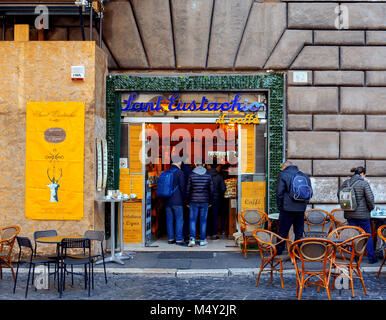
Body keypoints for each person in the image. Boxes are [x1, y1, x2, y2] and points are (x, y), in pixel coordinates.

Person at [338, 166, 377, 264]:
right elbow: (370, 199)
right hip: (363, 215)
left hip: (349, 214)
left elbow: (339, 195)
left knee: (353, 235)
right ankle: (371, 257)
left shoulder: (346, 182)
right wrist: (371, 208)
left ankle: (352, 257)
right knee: (367, 235)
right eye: (365, 174)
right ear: (362, 174)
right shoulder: (364, 183)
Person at [275, 161, 312, 254]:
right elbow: (309, 193)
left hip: (287, 209)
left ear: (284, 167)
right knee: (299, 233)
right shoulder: (304, 175)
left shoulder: (283, 174)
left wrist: (281, 207)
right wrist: (303, 205)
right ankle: (297, 253)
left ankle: (278, 253)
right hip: (300, 209)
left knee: (282, 232)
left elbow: (279, 193)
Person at [185, 159, 214, 247]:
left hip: (193, 201)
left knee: (193, 220)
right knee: (203, 221)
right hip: (205, 201)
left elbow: (188, 190)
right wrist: (211, 201)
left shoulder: (191, 175)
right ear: (204, 164)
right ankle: (202, 240)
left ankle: (192, 240)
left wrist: (187, 201)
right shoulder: (208, 176)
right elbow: (211, 190)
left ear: (195, 164)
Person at [164, 160, 186, 245]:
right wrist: (185, 199)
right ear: (179, 162)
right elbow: (182, 187)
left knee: (169, 220)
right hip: (177, 200)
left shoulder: (167, 171)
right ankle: (179, 239)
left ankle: (170, 238)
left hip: (167, 199)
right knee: (179, 220)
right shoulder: (180, 172)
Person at [207, 160, 226, 240]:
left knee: (207, 216)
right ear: (217, 166)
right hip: (216, 198)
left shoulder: (205, 175)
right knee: (215, 216)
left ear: (209, 166)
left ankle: (207, 234)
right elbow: (223, 188)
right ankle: (214, 234)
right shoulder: (219, 176)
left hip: (206, 199)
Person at [181, 153, 193, 242]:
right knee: (187, 217)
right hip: (187, 196)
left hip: (178, 197)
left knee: (179, 217)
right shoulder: (189, 170)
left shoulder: (178, 170)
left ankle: (178, 235)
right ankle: (186, 234)